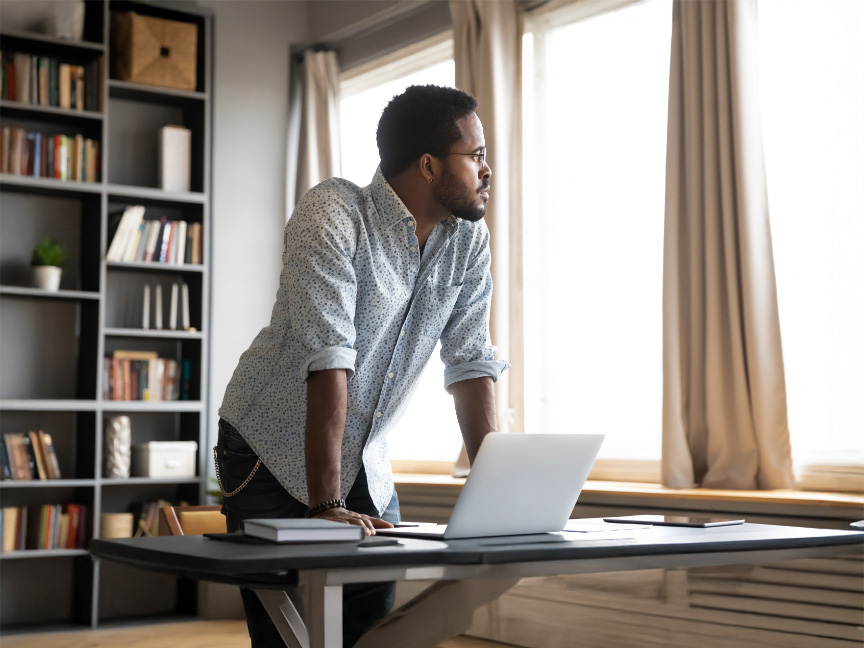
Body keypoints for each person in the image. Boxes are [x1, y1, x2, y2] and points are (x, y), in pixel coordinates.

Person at [214, 84, 509, 647]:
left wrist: (498, 498)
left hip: (365, 460)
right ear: (427, 164)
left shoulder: (468, 241)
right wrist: (325, 505)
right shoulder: (333, 210)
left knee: (372, 632)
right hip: (269, 451)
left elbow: (471, 363)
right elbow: (329, 357)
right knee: (289, 635)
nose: (485, 169)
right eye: (475, 155)